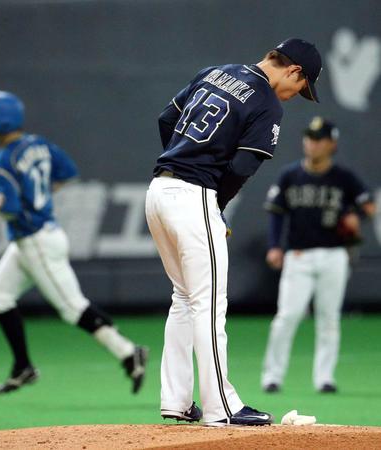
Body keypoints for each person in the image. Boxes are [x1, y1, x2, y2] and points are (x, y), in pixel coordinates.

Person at [145, 38, 322, 426]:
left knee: (184, 297)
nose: (295, 95)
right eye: (301, 87)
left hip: (158, 190)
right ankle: (221, 407)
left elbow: (165, 119)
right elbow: (242, 167)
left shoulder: (214, 72)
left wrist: (183, 162)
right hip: (194, 196)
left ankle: (176, 400)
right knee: (209, 305)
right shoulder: (266, 101)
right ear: (294, 70)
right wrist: (215, 205)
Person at [0, 91, 148, 395]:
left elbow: (9, 209)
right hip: (33, 239)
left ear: (3, 122)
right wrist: (39, 198)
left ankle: (128, 352)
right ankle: (23, 367)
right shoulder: (38, 144)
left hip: (36, 240)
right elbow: (67, 173)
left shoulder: (3, 159)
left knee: (72, 308)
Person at [261, 116, 376, 394]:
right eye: (310, 138)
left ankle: (324, 377)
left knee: (329, 318)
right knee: (287, 316)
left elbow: (369, 206)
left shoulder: (343, 177)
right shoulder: (290, 175)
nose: (312, 144)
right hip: (298, 256)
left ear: (331, 144)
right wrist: (275, 245)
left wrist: (356, 216)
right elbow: (276, 213)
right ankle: (272, 376)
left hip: (334, 255)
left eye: (319, 139)